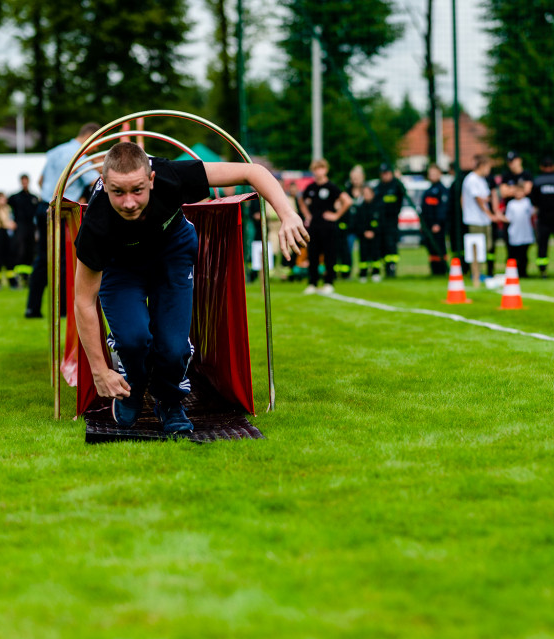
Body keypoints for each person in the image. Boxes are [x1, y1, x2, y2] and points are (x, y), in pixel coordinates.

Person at [73, 141, 307, 434]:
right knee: (133, 339)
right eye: (118, 192)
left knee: (172, 348)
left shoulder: (172, 175)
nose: (129, 202)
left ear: (152, 180)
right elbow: (83, 301)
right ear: (104, 184)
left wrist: (287, 214)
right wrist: (98, 371)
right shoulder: (97, 222)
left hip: (170, 254)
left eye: (137, 190)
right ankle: (131, 382)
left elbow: (253, 172)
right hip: (121, 267)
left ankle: (169, 401)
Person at [26, 122, 102, 319]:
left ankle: (32, 308)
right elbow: (95, 181)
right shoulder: (80, 155)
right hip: (62, 209)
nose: (97, 149)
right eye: (97, 144)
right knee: (66, 259)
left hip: (44, 206)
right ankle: (63, 309)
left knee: (43, 259)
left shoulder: (55, 151)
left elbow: (41, 180)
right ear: (90, 137)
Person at [298, 158, 351, 295]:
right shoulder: (311, 188)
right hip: (314, 227)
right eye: (315, 169)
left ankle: (329, 282)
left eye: (321, 168)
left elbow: (347, 201)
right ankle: (313, 283)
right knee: (313, 255)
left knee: (329, 255)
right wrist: (307, 215)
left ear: (325, 170)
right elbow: (301, 200)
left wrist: (336, 215)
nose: (318, 171)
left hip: (328, 227)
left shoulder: (331, 187)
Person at [461, 155, 505, 277]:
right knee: (476, 247)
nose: (489, 171)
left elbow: (486, 197)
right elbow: (479, 200)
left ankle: (480, 272)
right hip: (474, 219)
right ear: (482, 166)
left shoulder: (481, 180)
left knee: (486, 246)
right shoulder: (471, 179)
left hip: (484, 220)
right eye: (488, 168)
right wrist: (490, 214)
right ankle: (475, 273)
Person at [530, 156, 554, 278]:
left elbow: (534, 201)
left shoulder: (537, 181)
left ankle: (543, 271)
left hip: (544, 219)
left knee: (542, 246)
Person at [373, 163, 405, 278]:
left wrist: (398, 179)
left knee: (391, 245)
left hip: (392, 221)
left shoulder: (396, 185)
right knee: (382, 246)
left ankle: (392, 268)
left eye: (386, 173)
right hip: (381, 221)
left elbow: (403, 192)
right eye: (383, 174)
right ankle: (385, 268)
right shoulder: (379, 187)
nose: (384, 176)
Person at [8, 174, 40, 286]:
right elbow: (5, 208)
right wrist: (8, 221)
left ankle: (27, 278)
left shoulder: (34, 198)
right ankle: (16, 278)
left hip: (30, 228)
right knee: (19, 251)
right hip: (19, 227)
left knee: (30, 252)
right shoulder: (14, 198)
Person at [420, 163, 450, 275]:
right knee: (431, 248)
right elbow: (424, 210)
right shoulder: (428, 191)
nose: (432, 176)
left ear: (439, 174)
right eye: (430, 174)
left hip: (438, 226)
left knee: (440, 247)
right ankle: (434, 271)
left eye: (434, 173)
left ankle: (442, 270)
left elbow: (443, 209)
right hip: (428, 226)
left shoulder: (442, 191)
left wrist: (438, 223)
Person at [505, 192, 534, 277]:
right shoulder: (511, 204)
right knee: (513, 254)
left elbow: (532, 212)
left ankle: (523, 272)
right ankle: (511, 272)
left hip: (525, 232)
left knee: (523, 255)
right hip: (514, 233)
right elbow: (508, 217)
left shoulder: (527, 202)